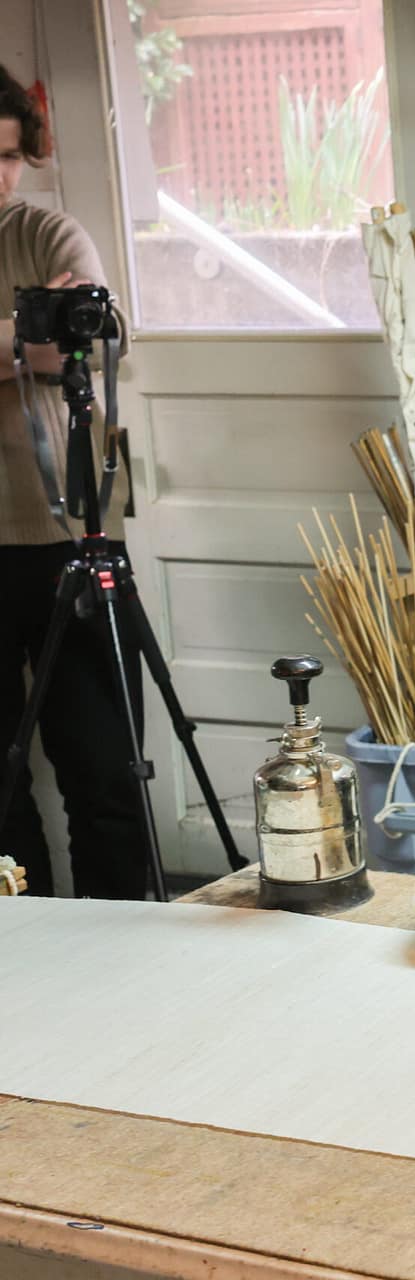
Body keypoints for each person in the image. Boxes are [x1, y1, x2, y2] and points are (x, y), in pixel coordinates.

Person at [0, 63, 148, 900]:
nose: (1, 176)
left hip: (69, 536)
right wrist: (26, 339)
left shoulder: (49, 233)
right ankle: (25, 950)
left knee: (104, 766)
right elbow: (46, 343)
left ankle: (126, 947)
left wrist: (42, 342)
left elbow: (85, 340)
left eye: (12, 156)